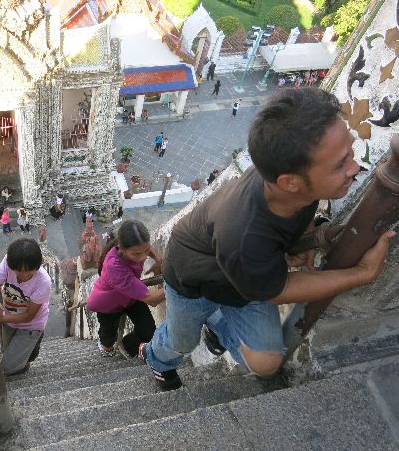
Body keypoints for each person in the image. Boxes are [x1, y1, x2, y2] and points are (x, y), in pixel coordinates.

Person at [139, 88, 395, 391]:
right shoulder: (244, 234)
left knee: (266, 364)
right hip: (191, 283)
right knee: (182, 341)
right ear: (290, 182)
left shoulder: (292, 180)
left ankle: (217, 327)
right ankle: (155, 357)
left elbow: (293, 223)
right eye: (340, 164)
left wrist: (307, 234)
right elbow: (279, 289)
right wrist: (362, 274)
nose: (355, 168)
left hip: (241, 280)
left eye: (350, 153)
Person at [87, 220, 165, 358]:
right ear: (122, 249)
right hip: (108, 304)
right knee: (109, 335)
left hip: (131, 295)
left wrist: (158, 260)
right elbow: (152, 300)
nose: (143, 257)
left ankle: (126, 345)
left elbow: (146, 247)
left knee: (148, 332)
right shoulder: (115, 267)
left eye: (146, 251)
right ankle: (106, 348)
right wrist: (177, 284)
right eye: (137, 254)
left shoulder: (134, 247)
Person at [0, 238, 52, 375]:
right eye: (19, 271)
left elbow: (29, 316)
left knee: (7, 367)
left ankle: (27, 361)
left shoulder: (43, 282)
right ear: (12, 266)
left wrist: (1, 318)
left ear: (38, 266)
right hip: (9, 319)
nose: (24, 275)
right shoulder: (8, 262)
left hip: (31, 325)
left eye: (30, 271)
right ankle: (26, 354)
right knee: (7, 349)